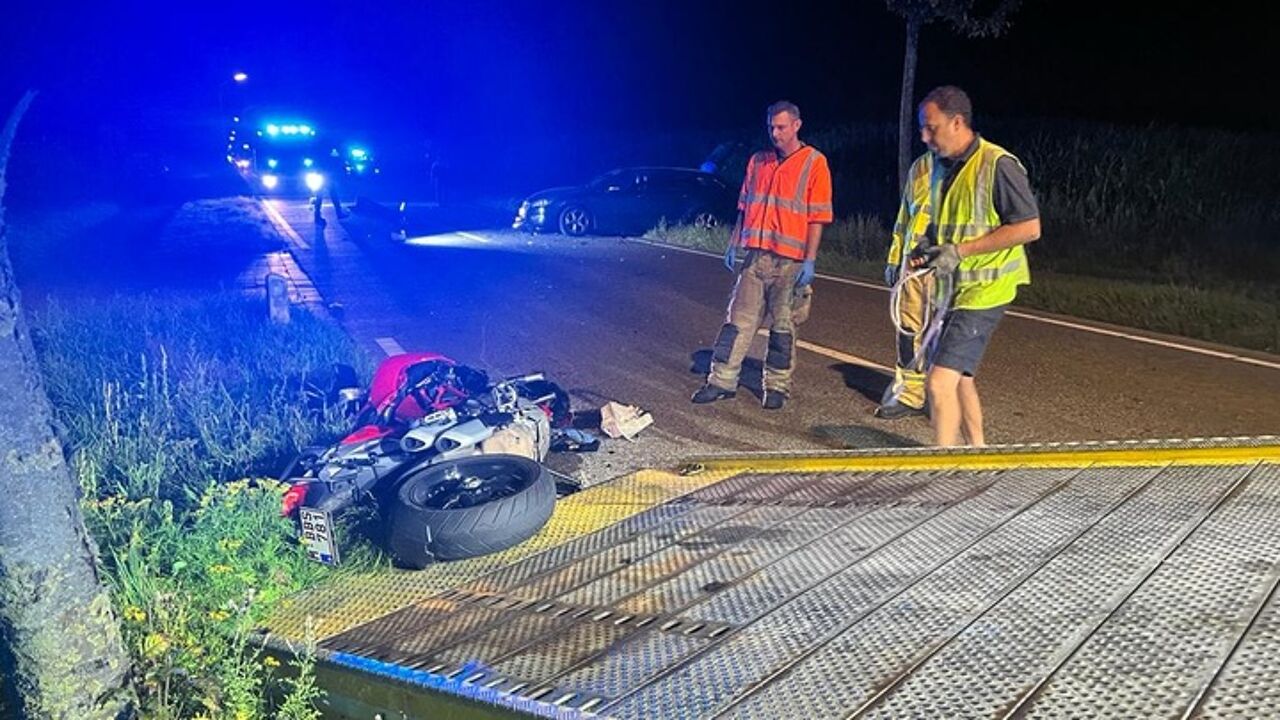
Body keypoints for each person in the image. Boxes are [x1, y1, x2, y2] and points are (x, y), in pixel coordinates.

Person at [902, 86, 1041, 446]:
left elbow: (1029, 228)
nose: (924, 136)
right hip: (956, 288)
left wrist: (960, 251)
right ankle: (978, 453)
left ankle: (946, 470)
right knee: (961, 376)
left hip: (985, 291)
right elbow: (946, 223)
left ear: (957, 122)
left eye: (931, 127)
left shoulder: (998, 164)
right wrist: (928, 247)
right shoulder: (940, 166)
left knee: (937, 382)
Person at [691, 100, 833, 410]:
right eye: (771, 127)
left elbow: (818, 217)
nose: (775, 133)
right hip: (755, 257)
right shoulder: (758, 161)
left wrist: (810, 259)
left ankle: (777, 387)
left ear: (797, 125)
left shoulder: (814, 163)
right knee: (736, 323)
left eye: (781, 127)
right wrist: (733, 242)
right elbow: (744, 206)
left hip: (790, 262)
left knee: (783, 329)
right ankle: (721, 381)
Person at [313, 147, 349, 225]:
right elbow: (333, 163)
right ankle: (338, 213)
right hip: (326, 176)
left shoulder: (321, 151)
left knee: (320, 196)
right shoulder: (327, 153)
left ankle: (317, 216)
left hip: (322, 175)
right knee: (332, 195)